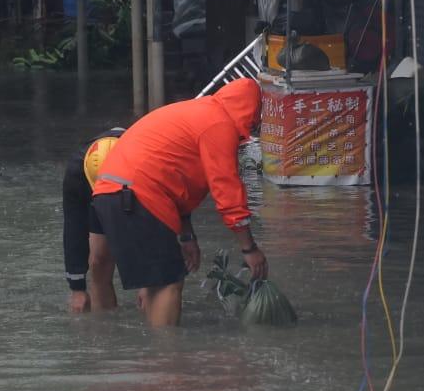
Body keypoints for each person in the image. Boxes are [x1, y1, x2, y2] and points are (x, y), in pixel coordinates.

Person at [90, 77, 268, 328]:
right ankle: (168, 359)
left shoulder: (198, 111)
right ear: (251, 111)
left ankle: (107, 343)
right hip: (137, 195)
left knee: (129, 275)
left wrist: (186, 236)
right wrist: (249, 249)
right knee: (169, 282)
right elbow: (227, 192)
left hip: (107, 192)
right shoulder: (219, 124)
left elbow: (173, 177)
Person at [61, 128, 126, 313]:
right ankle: (104, 328)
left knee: (155, 285)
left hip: (141, 190)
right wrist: (77, 288)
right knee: (99, 261)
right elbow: (74, 228)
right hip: (99, 193)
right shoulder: (77, 172)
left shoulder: (150, 161)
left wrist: (150, 282)